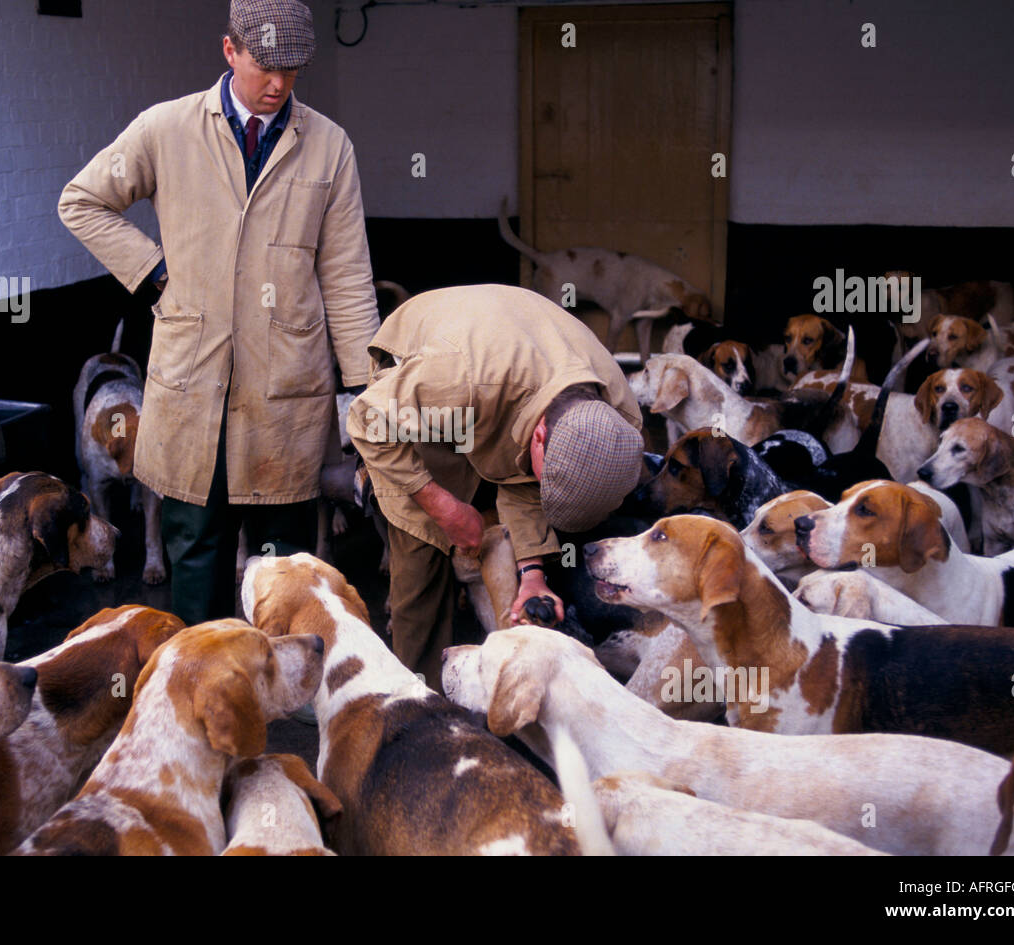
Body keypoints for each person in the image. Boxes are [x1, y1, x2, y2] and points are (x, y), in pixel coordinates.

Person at [58, 0, 379, 623]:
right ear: (229, 51)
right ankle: (201, 696)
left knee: (286, 568)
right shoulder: (166, 129)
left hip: (285, 391)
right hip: (192, 387)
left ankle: (280, 687)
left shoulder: (330, 148)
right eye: (264, 67)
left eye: (293, 70)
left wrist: (365, 389)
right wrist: (154, 274)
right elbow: (83, 201)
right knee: (196, 554)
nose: (279, 85)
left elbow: (345, 276)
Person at [347, 284, 644, 684]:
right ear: (538, 435)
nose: (538, 483)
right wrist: (443, 508)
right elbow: (366, 420)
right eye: (544, 474)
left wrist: (533, 574)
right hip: (426, 380)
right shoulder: (454, 379)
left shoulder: (620, 416)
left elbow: (526, 481)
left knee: (529, 482)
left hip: (508, 378)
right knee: (423, 553)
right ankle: (414, 697)